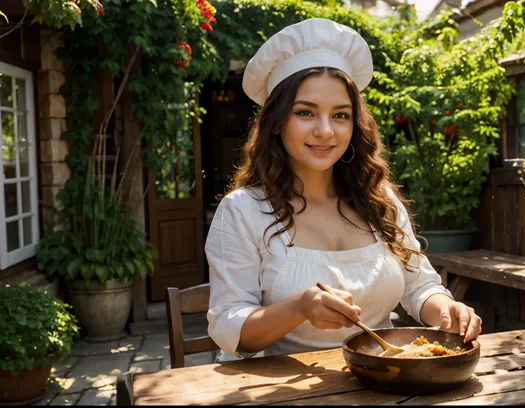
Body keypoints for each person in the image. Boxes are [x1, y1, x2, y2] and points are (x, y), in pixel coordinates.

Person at [205, 18, 482, 362]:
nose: (325, 131)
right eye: (305, 112)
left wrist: (447, 310)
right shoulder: (243, 211)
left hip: (384, 379)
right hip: (279, 389)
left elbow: (420, 287)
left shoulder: (379, 200)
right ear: (276, 123)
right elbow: (232, 328)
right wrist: (300, 307)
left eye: (340, 115)